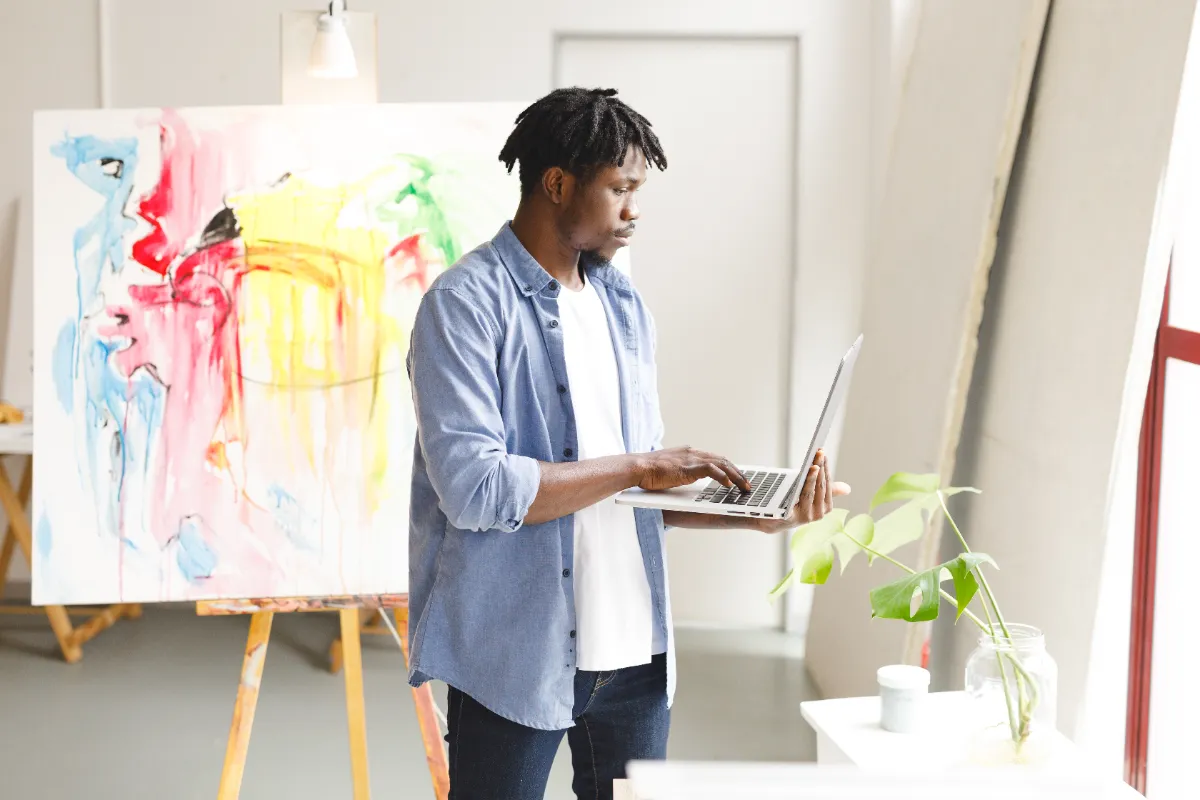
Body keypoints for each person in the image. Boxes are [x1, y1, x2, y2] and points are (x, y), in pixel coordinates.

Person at [405, 87, 849, 800]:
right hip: (516, 656)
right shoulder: (462, 307)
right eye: (620, 188)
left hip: (637, 655)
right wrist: (643, 464)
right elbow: (475, 490)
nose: (634, 210)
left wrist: (756, 512)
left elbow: (634, 496)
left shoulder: (622, 306)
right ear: (557, 184)